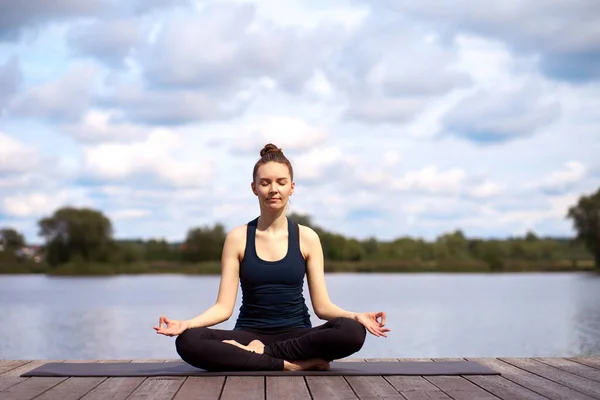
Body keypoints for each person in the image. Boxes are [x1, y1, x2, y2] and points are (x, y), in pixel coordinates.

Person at [153, 143, 390, 372]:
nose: (273, 189)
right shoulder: (238, 238)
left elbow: (323, 307)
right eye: (265, 183)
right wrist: (187, 324)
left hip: (298, 335)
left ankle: (260, 354)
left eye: (281, 182)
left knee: (352, 331)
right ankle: (290, 365)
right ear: (254, 188)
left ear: (292, 187)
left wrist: (356, 316)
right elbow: (223, 308)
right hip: (248, 334)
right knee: (188, 341)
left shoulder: (307, 238)